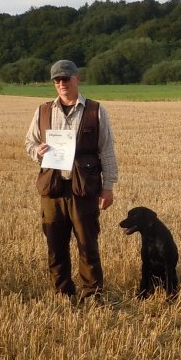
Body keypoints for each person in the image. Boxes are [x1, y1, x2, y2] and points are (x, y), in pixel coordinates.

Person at [25, 60, 118, 303]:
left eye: (66, 78)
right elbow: (29, 143)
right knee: (55, 245)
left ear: (77, 78)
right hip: (53, 189)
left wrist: (108, 187)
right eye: (57, 80)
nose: (61, 83)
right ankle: (63, 293)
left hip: (83, 189)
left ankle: (92, 294)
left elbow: (107, 151)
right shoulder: (43, 110)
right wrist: (38, 151)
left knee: (88, 244)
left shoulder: (95, 110)